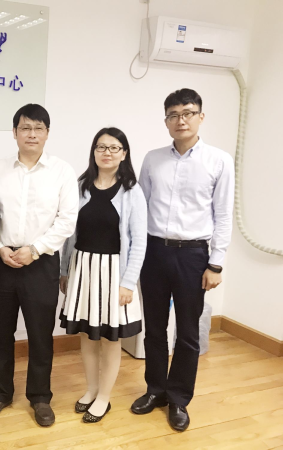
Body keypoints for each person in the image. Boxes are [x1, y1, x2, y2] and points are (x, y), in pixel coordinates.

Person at [131, 88, 235, 432]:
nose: (181, 120)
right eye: (174, 115)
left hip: (193, 255)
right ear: (166, 121)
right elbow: (140, 208)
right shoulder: (152, 159)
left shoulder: (219, 160)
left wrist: (215, 263)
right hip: (154, 251)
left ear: (200, 117)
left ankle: (178, 398)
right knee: (154, 327)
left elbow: (223, 215)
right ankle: (155, 390)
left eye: (188, 113)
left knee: (188, 332)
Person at [0, 104, 79, 427]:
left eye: (38, 128)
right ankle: (0, 393)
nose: (31, 134)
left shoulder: (62, 171)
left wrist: (34, 250)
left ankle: (40, 397)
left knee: (40, 334)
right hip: (1, 261)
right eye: (25, 128)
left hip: (41, 262)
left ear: (47, 133)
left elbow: (67, 221)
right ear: (14, 132)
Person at [59, 127, 147, 423]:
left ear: (124, 154)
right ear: (93, 152)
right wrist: (64, 270)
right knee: (87, 334)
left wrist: (128, 283)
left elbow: (139, 241)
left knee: (110, 338)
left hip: (113, 274)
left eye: (114, 147)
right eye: (101, 147)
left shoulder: (132, 191)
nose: (106, 152)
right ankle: (91, 389)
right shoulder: (81, 186)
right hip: (82, 269)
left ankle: (104, 397)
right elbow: (69, 234)